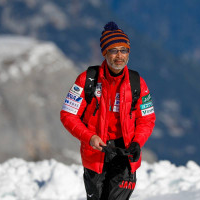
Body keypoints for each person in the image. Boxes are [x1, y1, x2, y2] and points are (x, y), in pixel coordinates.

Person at [60, 21, 156, 200]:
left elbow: (147, 119)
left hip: (125, 154)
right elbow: (68, 115)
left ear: (129, 53)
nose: (119, 55)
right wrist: (89, 137)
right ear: (104, 53)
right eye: (113, 50)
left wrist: (137, 142)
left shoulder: (137, 83)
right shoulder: (87, 80)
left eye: (124, 50)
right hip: (95, 155)